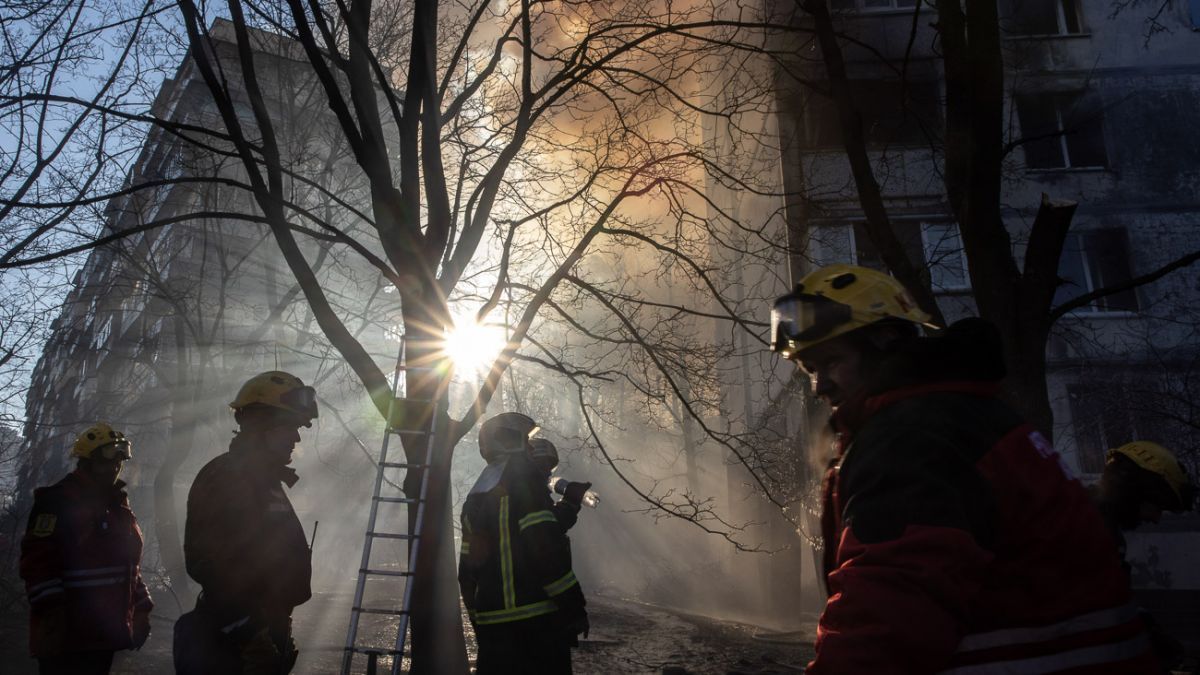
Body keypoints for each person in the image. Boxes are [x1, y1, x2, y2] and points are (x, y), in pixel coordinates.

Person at [769, 263, 1158, 673]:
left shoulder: (915, 438)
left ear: (884, 342)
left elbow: (887, 617)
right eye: (810, 370)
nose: (819, 385)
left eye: (830, 362)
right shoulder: (968, 415)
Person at [174, 371, 317, 675]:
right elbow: (210, 563)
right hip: (233, 645)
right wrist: (249, 632)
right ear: (261, 425)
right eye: (289, 427)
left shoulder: (264, 481)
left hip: (263, 631)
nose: (296, 437)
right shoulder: (227, 477)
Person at [458, 413, 588, 675]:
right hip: (536, 629)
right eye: (525, 441)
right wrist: (574, 607)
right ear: (510, 442)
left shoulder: (475, 498)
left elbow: (466, 574)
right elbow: (545, 552)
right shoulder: (523, 483)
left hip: (493, 633)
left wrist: (478, 619)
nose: (531, 448)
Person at [19, 423, 153, 674]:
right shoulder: (58, 502)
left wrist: (142, 609)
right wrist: (54, 619)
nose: (115, 467)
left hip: (104, 635)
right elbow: (36, 566)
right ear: (87, 462)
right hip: (68, 639)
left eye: (119, 462)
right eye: (107, 461)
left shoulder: (118, 506)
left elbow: (128, 565)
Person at [1094, 440, 1196, 670]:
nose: (1156, 519)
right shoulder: (1094, 530)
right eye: (1158, 507)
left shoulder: (1097, 521)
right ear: (1137, 491)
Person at [528, 438, 593, 531]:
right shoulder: (521, 494)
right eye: (543, 466)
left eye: (549, 467)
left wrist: (570, 502)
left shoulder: (535, 494)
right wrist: (570, 502)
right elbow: (549, 528)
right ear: (529, 464)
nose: (548, 473)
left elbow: (553, 521)